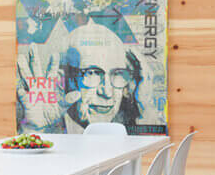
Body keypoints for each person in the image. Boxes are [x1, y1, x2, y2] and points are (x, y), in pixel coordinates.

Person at [16, 21, 144, 133]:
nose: (107, 92)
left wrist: (146, 111)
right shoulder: (48, 127)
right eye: (92, 73)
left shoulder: (125, 132)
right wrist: (33, 129)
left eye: (117, 74)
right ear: (63, 80)